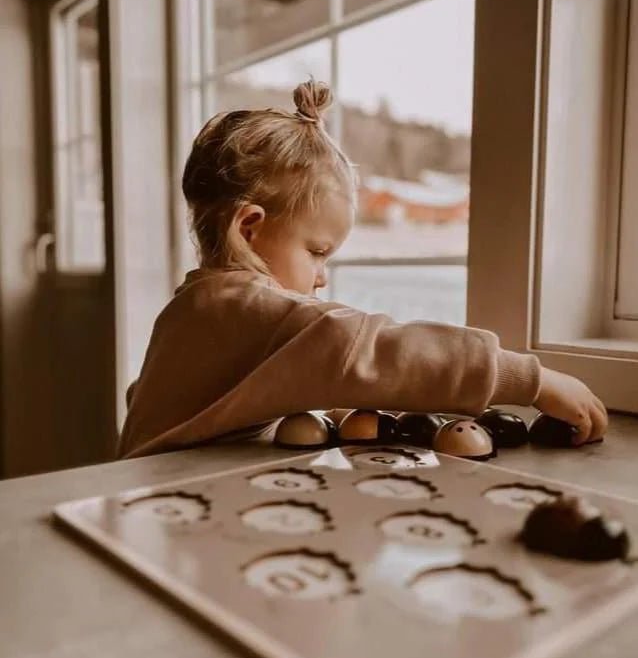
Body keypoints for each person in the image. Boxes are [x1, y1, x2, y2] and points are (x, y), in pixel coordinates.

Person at [117, 80, 607, 459]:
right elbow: (368, 347)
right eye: (316, 251)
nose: (321, 275)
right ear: (249, 228)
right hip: (165, 498)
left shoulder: (197, 306)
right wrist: (530, 380)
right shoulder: (240, 305)